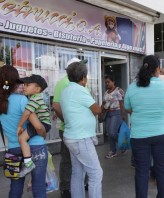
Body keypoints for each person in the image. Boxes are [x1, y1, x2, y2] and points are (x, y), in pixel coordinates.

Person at [124, 55, 164, 198]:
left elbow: (128, 108)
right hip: (162, 135)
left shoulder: (132, 87)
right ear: (158, 69)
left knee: (141, 171)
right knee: (162, 170)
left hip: (139, 136)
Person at [0, 65, 48, 197]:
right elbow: (38, 126)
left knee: (15, 189)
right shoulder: (22, 100)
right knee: (38, 187)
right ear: (16, 81)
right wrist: (43, 133)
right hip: (36, 147)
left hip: (13, 149)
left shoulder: (2, 103)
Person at [60, 61, 103, 198]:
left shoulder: (66, 90)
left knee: (77, 173)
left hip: (71, 136)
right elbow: (96, 109)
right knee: (96, 173)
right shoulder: (80, 90)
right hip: (81, 138)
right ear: (83, 77)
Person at [53, 57, 87, 198]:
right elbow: (56, 105)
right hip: (67, 129)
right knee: (67, 159)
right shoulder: (62, 83)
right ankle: (65, 187)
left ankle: (83, 182)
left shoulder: (84, 81)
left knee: (83, 157)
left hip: (82, 128)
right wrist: (67, 121)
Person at [16, 75, 50, 176]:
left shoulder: (34, 99)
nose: (24, 87)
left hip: (43, 123)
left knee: (22, 138)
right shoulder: (34, 97)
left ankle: (28, 164)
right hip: (44, 123)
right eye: (24, 84)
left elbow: (27, 113)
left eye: (28, 85)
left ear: (37, 89)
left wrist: (19, 126)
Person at [101, 75, 126, 159]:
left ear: (113, 82)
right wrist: (100, 112)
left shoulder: (119, 91)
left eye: (108, 82)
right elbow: (104, 104)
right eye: (106, 82)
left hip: (117, 113)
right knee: (109, 133)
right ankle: (113, 151)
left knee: (112, 132)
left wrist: (123, 115)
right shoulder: (106, 92)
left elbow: (122, 103)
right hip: (108, 113)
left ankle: (123, 143)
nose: (107, 84)